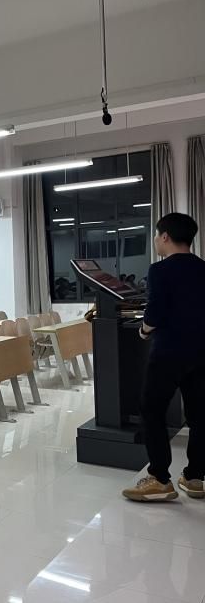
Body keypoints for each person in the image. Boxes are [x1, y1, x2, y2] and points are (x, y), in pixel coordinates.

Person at [122, 213, 205, 502]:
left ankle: (159, 479)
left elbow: (155, 312)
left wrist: (144, 331)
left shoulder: (160, 270)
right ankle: (196, 477)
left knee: (152, 410)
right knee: (199, 415)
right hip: (201, 353)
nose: (156, 241)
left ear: (165, 236)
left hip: (169, 352)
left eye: (157, 236)